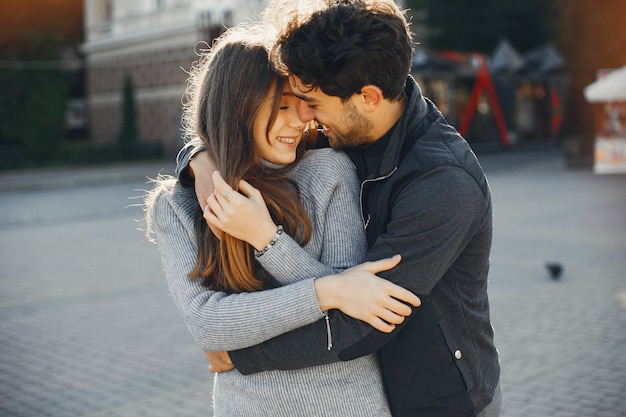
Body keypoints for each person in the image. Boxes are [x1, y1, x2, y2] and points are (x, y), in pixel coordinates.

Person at [178, 1, 502, 416]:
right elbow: (234, 123)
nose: (305, 117)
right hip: (376, 391)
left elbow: (365, 320)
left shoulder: (443, 184)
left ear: (367, 97)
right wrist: (201, 158)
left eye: (312, 101)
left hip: (441, 399)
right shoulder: (344, 130)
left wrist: (240, 358)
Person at [145, 23, 420, 416]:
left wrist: (268, 241)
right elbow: (207, 324)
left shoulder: (328, 172)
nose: (301, 120)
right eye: (284, 106)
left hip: (346, 403)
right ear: (240, 106)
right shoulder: (177, 206)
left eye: (303, 104)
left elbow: (352, 314)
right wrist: (325, 292)